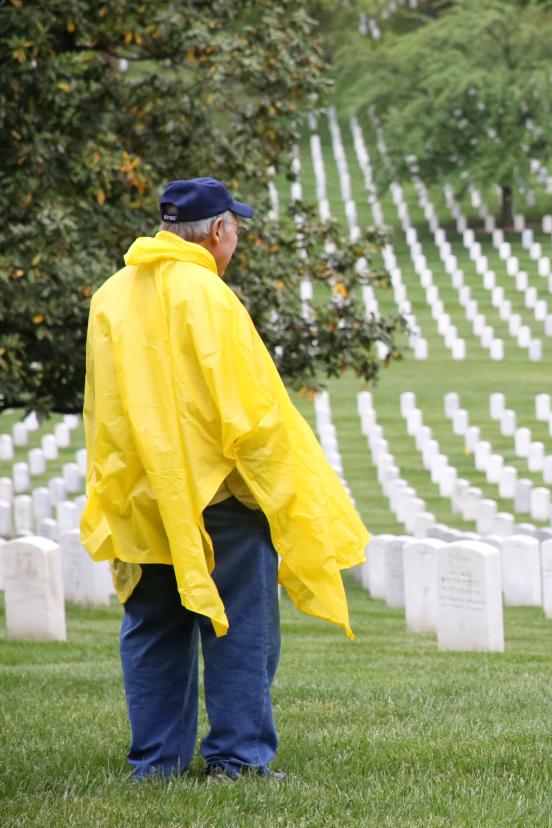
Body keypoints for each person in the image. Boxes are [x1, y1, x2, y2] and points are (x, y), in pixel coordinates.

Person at [81, 177, 369, 780]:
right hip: (218, 494)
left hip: (141, 492)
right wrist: (275, 491)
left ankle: (155, 763)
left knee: (154, 625)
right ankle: (239, 760)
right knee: (239, 628)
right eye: (235, 228)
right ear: (217, 232)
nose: (235, 238)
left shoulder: (110, 295)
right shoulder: (210, 298)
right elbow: (253, 411)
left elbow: (101, 403)